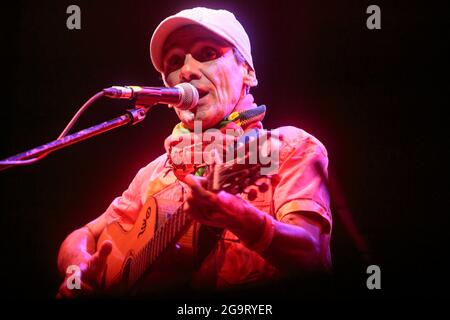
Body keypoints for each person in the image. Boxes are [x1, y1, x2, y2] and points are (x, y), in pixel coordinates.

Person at [56, 7, 332, 299]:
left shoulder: (283, 147)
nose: (186, 71)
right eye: (174, 62)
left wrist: (240, 217)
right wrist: (78, 270)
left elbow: (313, 257)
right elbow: (82, 235)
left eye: (208, 53)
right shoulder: (154, 173)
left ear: (247, 72)